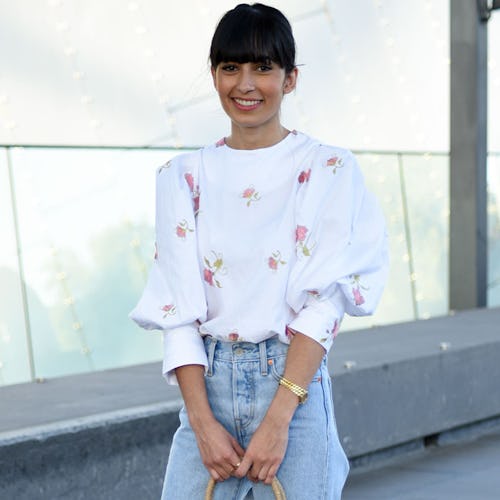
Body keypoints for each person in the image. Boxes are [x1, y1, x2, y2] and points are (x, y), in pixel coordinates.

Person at [130, 3, 389, 499]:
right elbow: (177, 311)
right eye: (231, 67)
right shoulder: (181, 177)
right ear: (214, 74)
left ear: (290, 79)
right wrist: (202, 423)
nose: (245, 84)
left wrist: (280, 417)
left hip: (294, 383)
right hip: (208, 383)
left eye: (263, 68)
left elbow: (326, 302)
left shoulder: (329, 168)